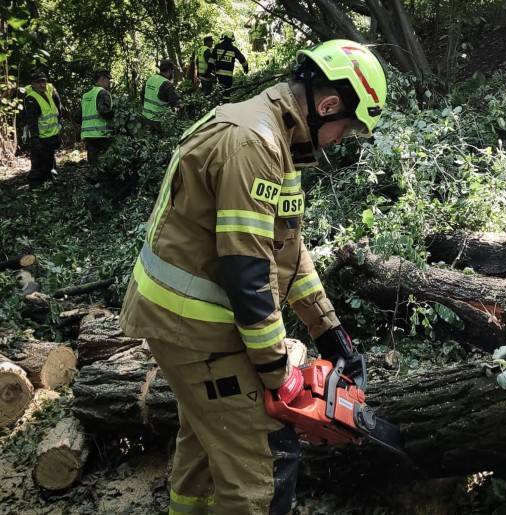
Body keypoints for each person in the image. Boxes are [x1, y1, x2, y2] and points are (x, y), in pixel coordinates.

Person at [118, 40, 386, 514]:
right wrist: (276, 371)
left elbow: (286, 250)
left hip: (182, 319)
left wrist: (330, 331)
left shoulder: (279, 137)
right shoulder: (255, 144)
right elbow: (247, 273)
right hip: (196, 326)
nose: (341, 139)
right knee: (264, 457)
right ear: (327, 106)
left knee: (208, 432)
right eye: (346, 128)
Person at [23, 70, 63, 185]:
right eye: (38, 82)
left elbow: (56, 112)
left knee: (49, 162)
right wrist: (35, 139)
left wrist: (57, 134)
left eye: (44, 82)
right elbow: (32, 121)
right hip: (40, 138)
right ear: (33, 84)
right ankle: (34, 187)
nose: (42, 85)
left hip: (51, 136)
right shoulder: (31, 98)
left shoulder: (47, 93)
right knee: (37, 164)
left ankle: (48, 183)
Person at [78, 69, 113, 163]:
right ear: (102, 79)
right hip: (102, 135)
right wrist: (115, 116)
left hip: (88, 135)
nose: (109, 83)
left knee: (93, 163)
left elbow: (78, 116)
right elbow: (104, 111)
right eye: (108, 80)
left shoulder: (86, 95)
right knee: (106, 163)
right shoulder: (102, 93)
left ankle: (93, 177)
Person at [141, 59, 181, 125]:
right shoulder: (166, 84)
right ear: (170, 71)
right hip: (158, 121)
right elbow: (176, 102)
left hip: (145, 117)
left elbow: (142, 96)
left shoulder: (150, 79)